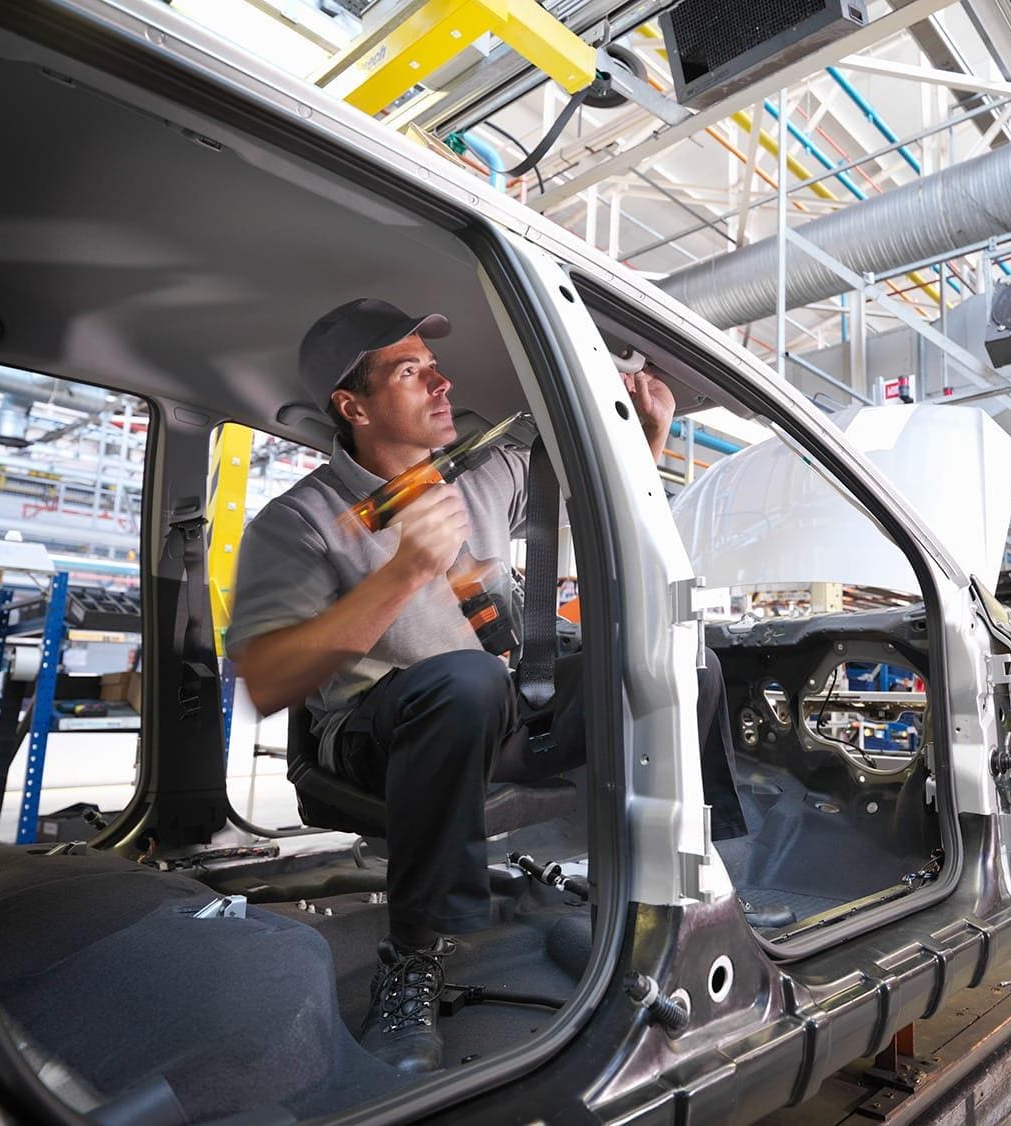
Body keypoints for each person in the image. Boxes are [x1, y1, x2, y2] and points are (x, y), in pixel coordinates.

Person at [226, 298, 745, 1074]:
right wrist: (402, 573)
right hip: (376, 734)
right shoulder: (299, 521)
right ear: (352, 405)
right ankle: (411, 962)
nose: (441, 383)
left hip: (497, 711)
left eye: (435, 368)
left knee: (683, 661)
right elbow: (267, 678)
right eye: (411, 372)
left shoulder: (487, 472)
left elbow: (593, 475)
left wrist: (649, 436)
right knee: (463, 680)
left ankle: (677, 894)